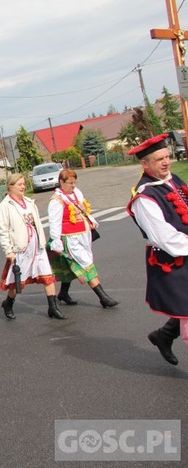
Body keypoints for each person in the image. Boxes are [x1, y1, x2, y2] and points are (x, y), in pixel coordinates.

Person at [126, 133, 188, 366]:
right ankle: (165, 335)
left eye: (167, 156)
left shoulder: (174, 180)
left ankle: (163, 336)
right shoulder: (145, 197)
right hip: (172, 261)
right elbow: (165, 239)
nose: (166, 162)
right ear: (144, 164)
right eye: (159, 159)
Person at [0, 173, 65, 320]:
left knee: (48, 277)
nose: (23, 187)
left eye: (23, 184)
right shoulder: (6, 205)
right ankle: (8, 303)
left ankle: (53, 308)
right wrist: (8, 250)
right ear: (10, 187)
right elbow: (2, 230)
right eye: (19, 184)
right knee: (17, 283)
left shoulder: (29, 201)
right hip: (21, 249)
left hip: (37, 246)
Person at [47, 169, 119, 308]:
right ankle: (103, 298)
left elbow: (83, 210)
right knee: (86, 265)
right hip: (69, 238)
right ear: (61, 182)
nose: (73, 185)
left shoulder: (76, 193)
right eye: (70, 183)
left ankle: (63, 293)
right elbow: (54, 223)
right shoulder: (56, 201)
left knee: (71, 267)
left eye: (74, 182)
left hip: (82, 235)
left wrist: (90, 220)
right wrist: (56, 242)